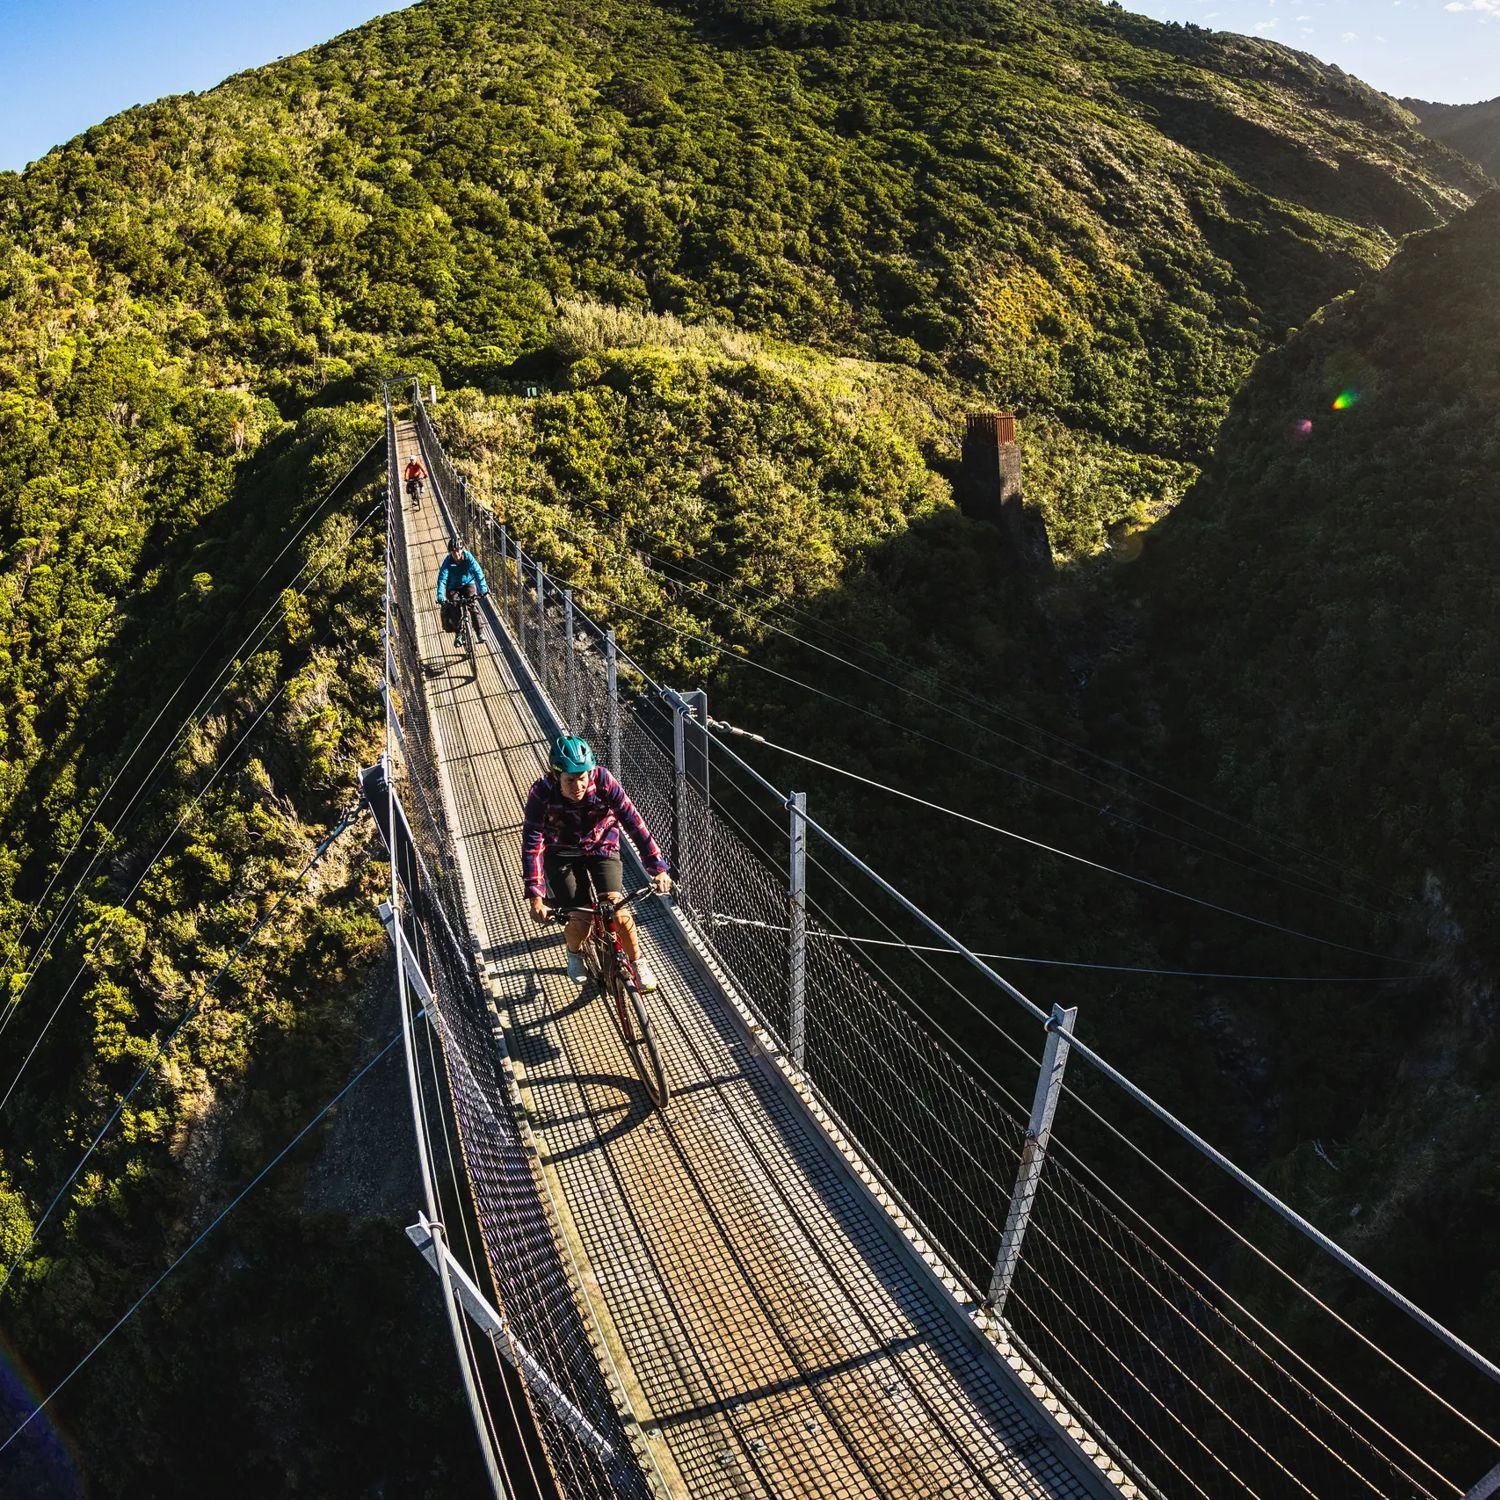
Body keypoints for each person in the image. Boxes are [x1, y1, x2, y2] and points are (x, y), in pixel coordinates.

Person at [522, 734, 672, 991]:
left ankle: (637, 961)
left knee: (617, 909)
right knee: (580, 917)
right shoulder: (542, 792)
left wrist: (656, 867)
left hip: (601, 846)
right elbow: (532, 842)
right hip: (561, 852)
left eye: (583, 777)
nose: (578, 786)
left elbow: (632, 821)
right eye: (570, 780)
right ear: (555, 775)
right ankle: (574, 952)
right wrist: (536, 895)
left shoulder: (603, 780)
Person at [436, 535, 489, 643]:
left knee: (473, 606)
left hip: (468, 584)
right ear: (450, 552)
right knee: (454, 608)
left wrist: (483, 589)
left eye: (458, 551)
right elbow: (442, 579)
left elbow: (478, 572)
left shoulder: (468, 558)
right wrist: (440, 595)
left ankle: (479, 633)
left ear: (462, 550)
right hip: (453, 587)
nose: (456, 554)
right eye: (453, 551)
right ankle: (459, 633)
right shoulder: (448, 561)